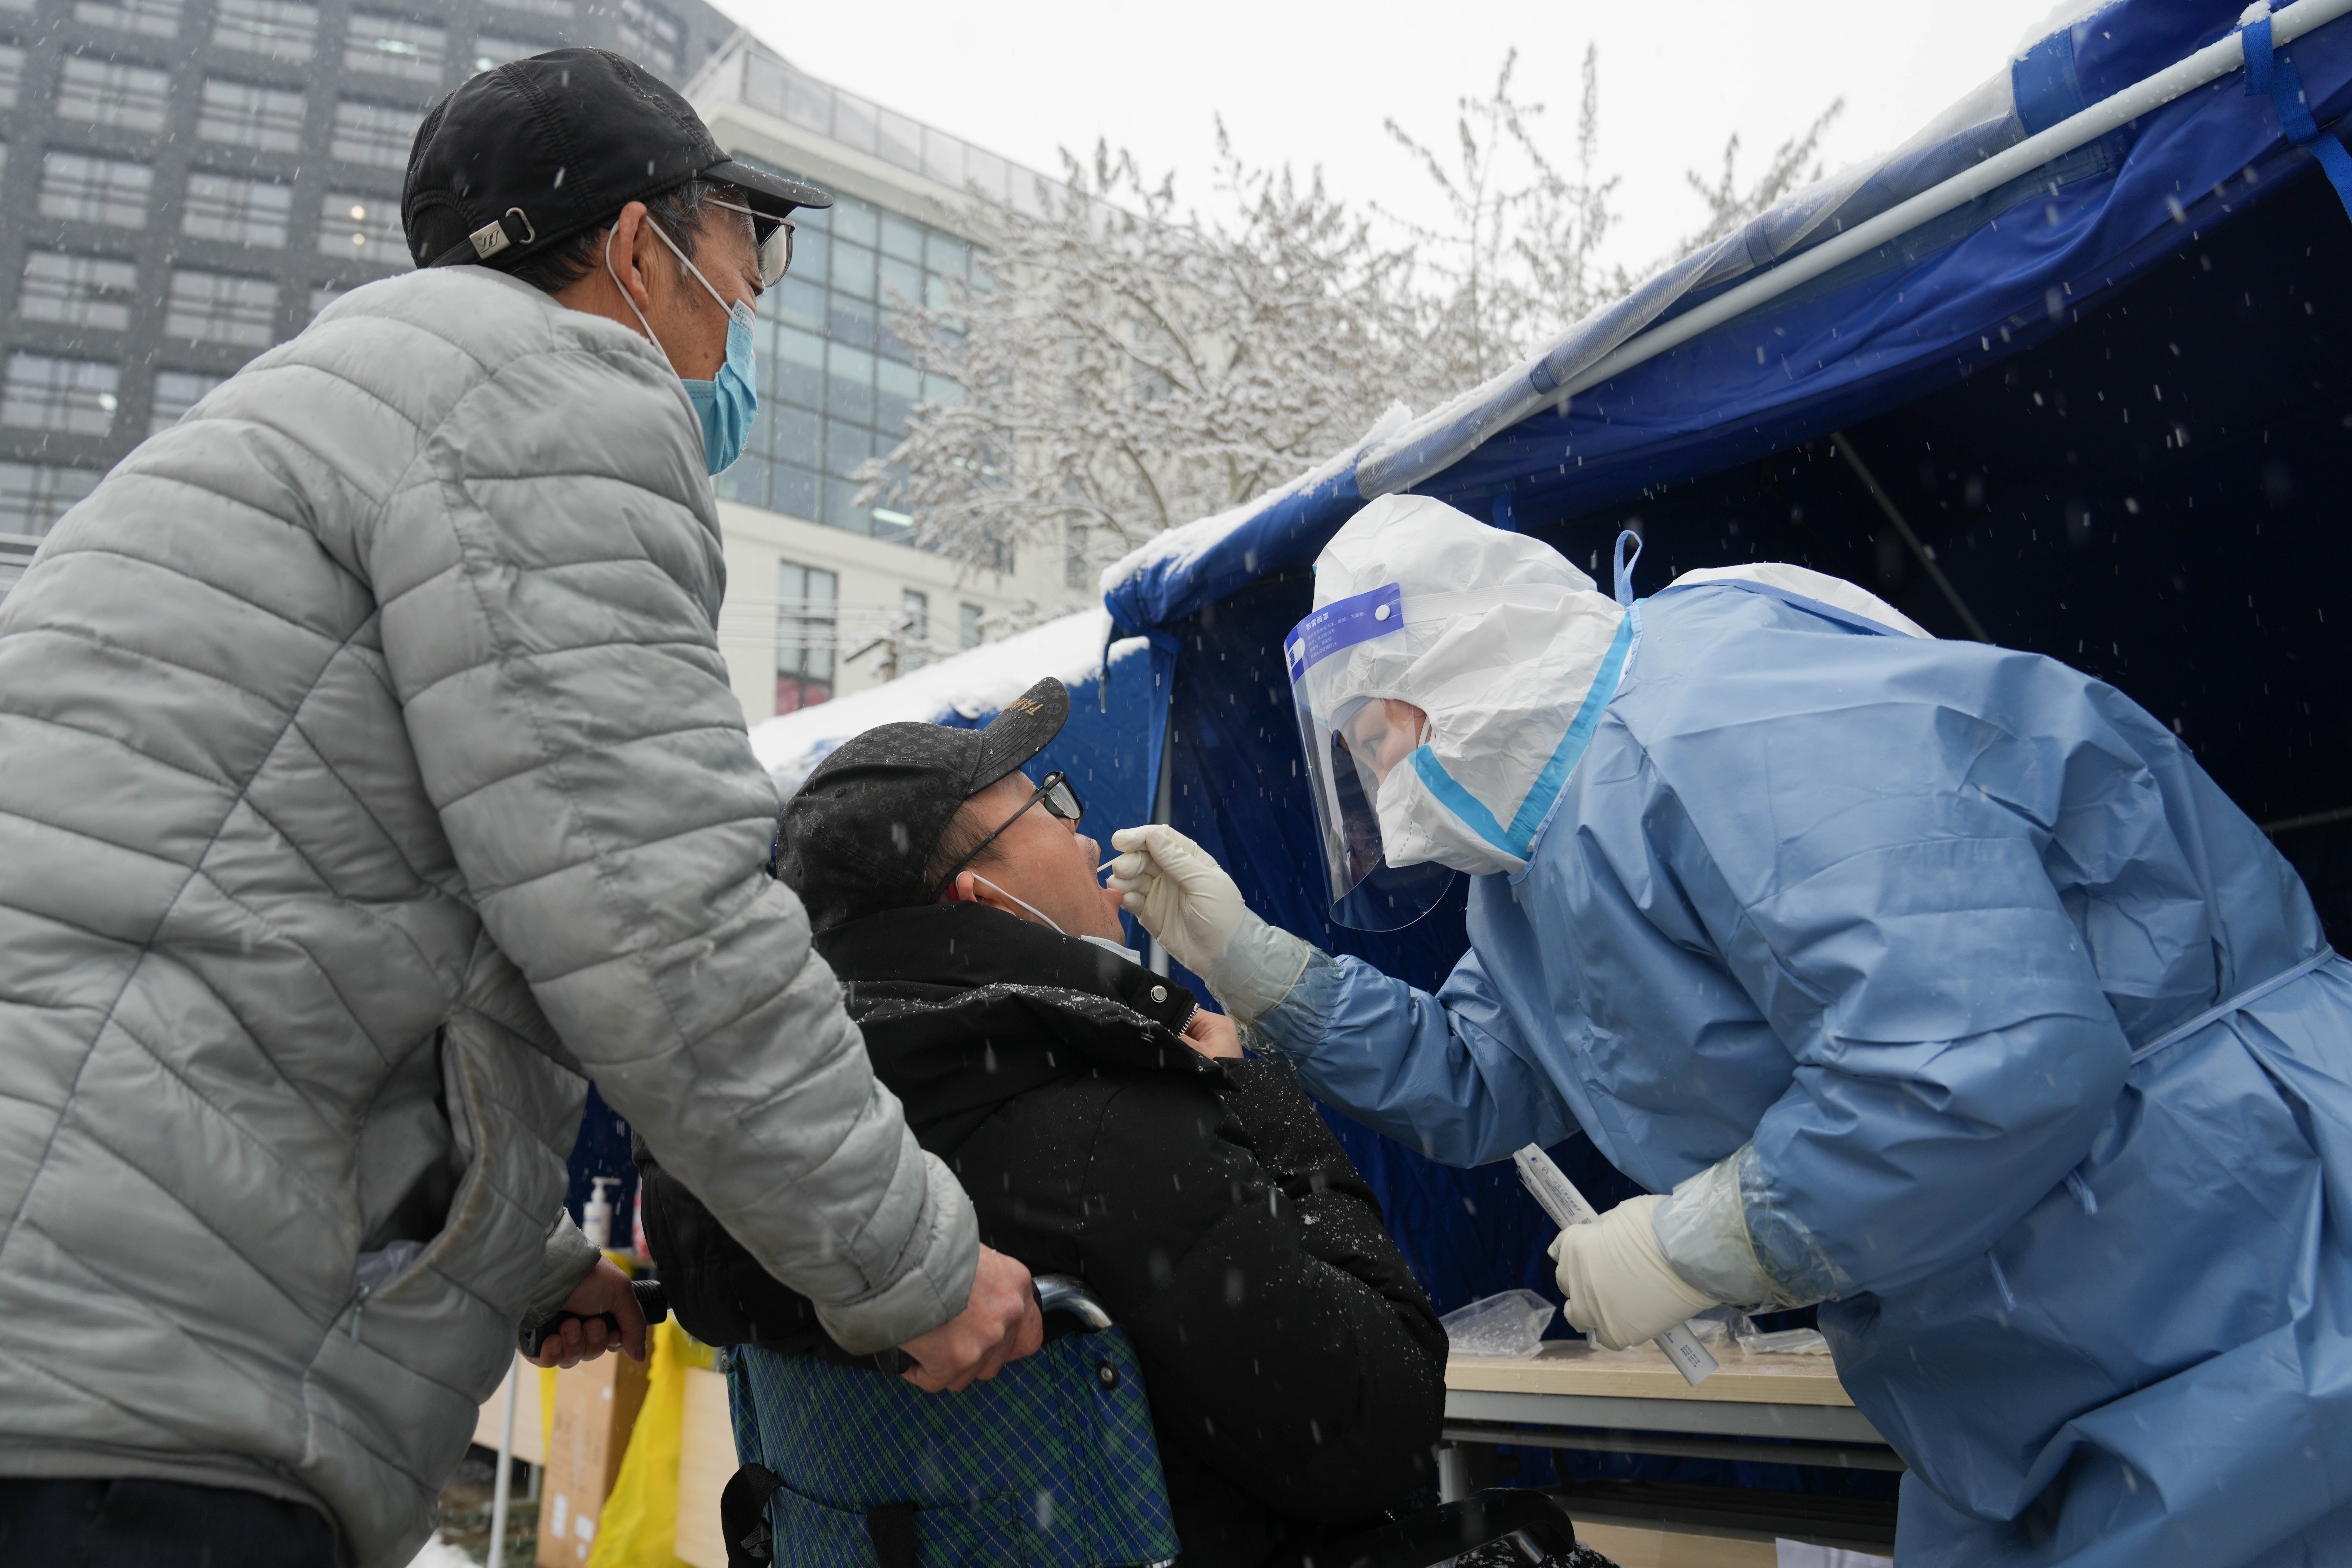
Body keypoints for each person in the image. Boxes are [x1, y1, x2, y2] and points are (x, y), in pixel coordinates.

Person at [0, 50, 1038, 1568]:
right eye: (748, 251)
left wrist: (522, 1259)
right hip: (123, 1381)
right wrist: (912, 1263)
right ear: (638, 250)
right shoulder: (550, 396)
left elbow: (253, 929)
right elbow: (655, 918)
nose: (751, 305)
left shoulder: (313, 415)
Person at [1108, 493, 2352, 1567]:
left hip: (2222, 1236)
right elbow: (1480, 1075)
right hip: (2019, 1318)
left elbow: (1983, 1061)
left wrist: (1700, 1241)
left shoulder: (1728, 720)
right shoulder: (1538, 862)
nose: (1385, 790)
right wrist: (1254, 962)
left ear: (1468, 675)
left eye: (1382, 738)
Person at [638, 678, 1449, 1566]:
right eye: (1049, 806)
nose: (1085, 833)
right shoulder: (1110, 1138)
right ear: (981, 898)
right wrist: (1253, 1097)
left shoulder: (743, 1180)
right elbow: (1382, 1426)